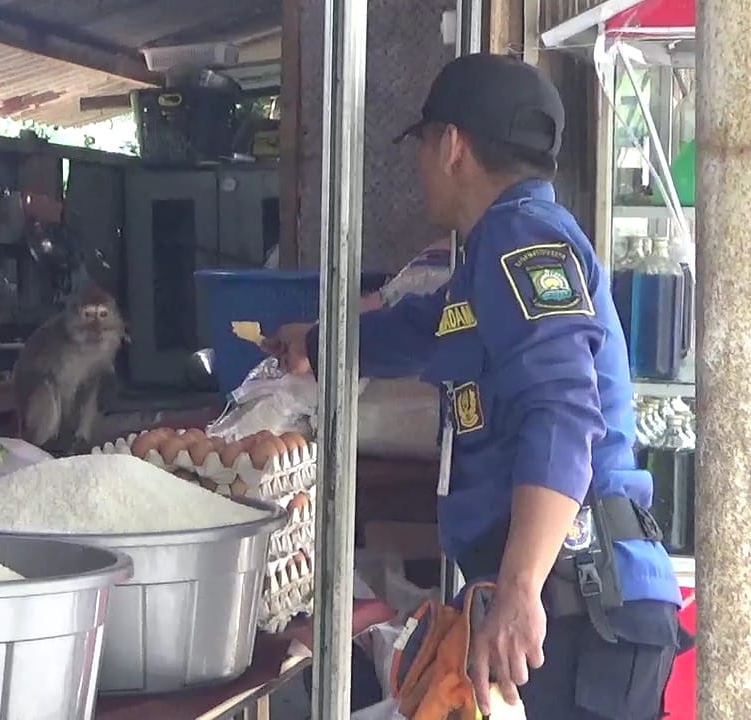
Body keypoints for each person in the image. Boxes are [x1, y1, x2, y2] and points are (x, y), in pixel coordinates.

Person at [266, 53, 683, 719]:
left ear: (452, 145)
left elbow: (562, 411)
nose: (419, 166)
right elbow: (426, 328)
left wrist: (519, 590)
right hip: (571, 606)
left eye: (422, 144)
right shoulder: (497, 252)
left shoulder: (523, 240)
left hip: (576, 609)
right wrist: (317, 343)